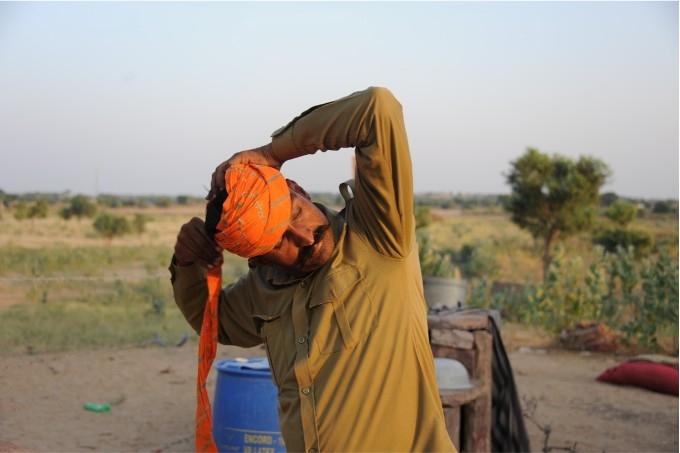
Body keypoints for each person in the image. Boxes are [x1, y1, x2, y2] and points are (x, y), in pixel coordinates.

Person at [171, 87, 456, 452]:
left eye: (294, 213)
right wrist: (187, 262)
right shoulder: (263, 289)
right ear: (257, 258)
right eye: (278, 242)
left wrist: (272, 153)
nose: (303, 236)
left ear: (298, 190)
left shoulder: (379, 236)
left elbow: (377, 109)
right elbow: (214, 321)